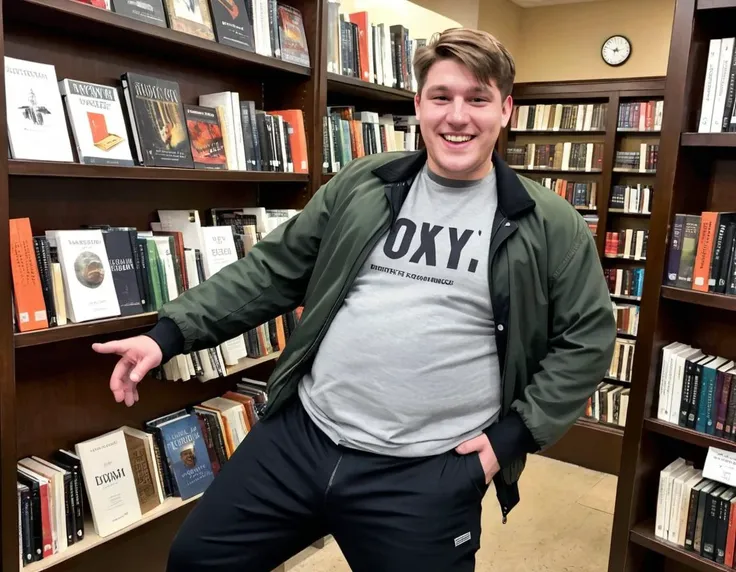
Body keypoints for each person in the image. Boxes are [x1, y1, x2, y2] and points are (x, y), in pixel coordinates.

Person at [93, 27, 616, 572]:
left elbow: (587, 340)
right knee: (197, 561)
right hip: (302, 436)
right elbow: (272, 269)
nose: (457, 117)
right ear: (418, 105)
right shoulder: (364, 183)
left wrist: (506, 441)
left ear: (505, 109)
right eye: (441, 97)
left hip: (427, 472)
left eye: (477, 99)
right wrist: (169, 335)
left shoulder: (548, 223)